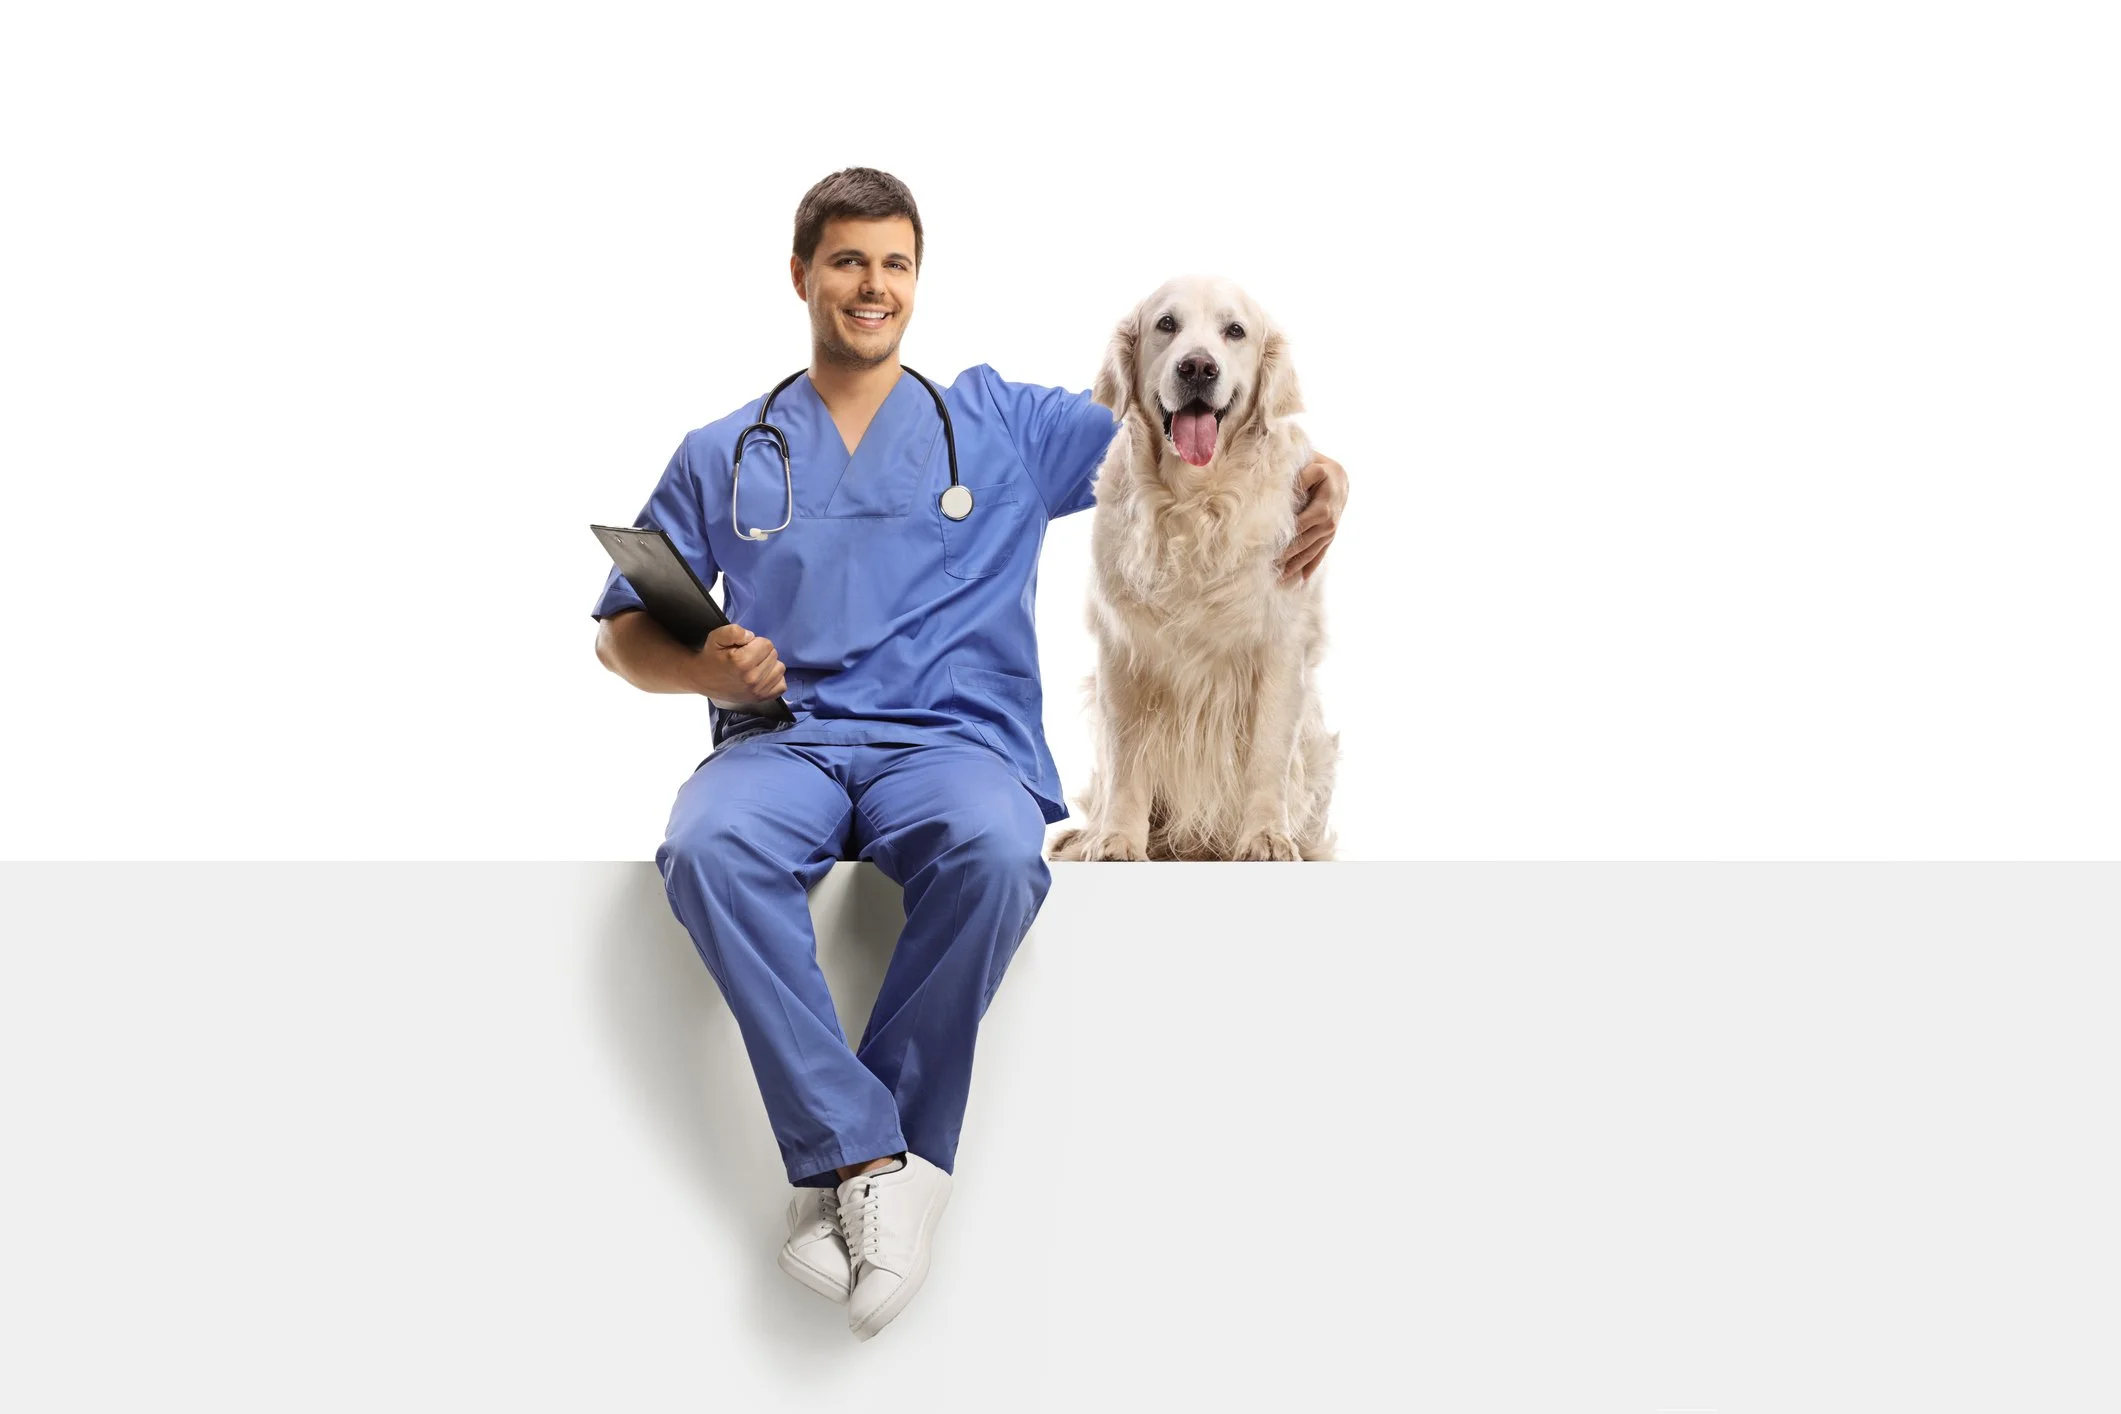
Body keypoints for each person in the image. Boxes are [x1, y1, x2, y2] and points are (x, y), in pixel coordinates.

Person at [590, 167, 1350, 1341]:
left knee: (999, 853)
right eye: (846, 261)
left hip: (951, 747)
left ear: (917, 280)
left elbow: (1191, 423)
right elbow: (624, 633)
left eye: (894, 263)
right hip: (781, 746)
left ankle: (845, 1174)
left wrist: (1318, 476)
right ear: (801, 275)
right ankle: (877, 1163)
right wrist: (707, 671)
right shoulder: (722, 448)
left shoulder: (1001, 427)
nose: (872, 285)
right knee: (705, 845)